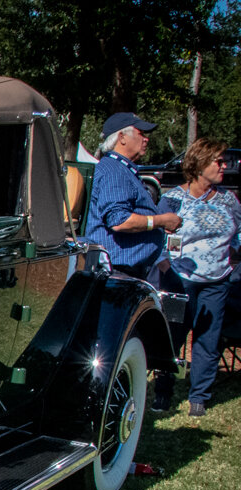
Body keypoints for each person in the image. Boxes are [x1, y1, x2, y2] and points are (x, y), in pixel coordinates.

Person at [153, 138, 241, 416]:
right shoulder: (173, 199)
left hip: (217, 281)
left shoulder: (228, 199)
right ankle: (162, 393)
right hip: (179, 279)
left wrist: (235, 255)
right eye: (218, 161)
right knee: (171, 337)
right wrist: (165, 267)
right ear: (200, 164)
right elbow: (155, 239)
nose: (224, 166)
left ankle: (199, 397)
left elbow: (239, 232)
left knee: (208, 340)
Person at [85, 112, 181, 280]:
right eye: (141, 133)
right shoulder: (115, 172)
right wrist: (161, 221)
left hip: (120, 269)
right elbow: (120, 221)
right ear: (122, 137)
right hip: (116, 272)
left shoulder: (120, 169)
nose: (146, 139)